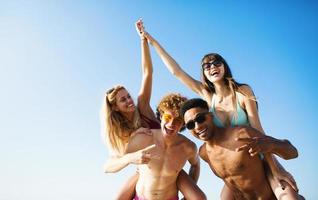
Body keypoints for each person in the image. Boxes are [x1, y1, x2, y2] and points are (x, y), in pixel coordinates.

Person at [141, 21, 300, 199]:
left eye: (216, 63)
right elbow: (176, 71)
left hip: (259, 157)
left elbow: (258, 131)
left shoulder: (242, 92)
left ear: (224, 66)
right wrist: (151, 41)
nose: (212, 67)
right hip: (235, 168)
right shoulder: (209, 97)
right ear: (204, 73)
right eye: (207, 66)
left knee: (288, 196)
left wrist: (276, 168)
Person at [102, 19, 205, 199]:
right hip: (144, 169)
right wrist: (131, 158)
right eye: (123, 100)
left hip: (169, 169)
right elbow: (110, 164)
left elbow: (147, 72)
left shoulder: (143, 111)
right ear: (115, 108)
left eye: (128, 96)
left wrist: (143, 41)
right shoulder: (129, 134)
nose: (129, 101)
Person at [181, 98, 300, 199]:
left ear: (211, 115)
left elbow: (293, 152)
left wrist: (272, 145)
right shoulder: (204, 153)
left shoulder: (241, 134)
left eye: (200, 118)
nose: (197, 126)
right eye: (191, 125)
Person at [126, 93, 206, 200]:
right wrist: (130, 158)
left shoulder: (188, 147)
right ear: (161, 116)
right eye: (168, 117)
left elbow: (195, 165)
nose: (171, 123)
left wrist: (186, 196)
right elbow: (116, 159)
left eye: (177, 120)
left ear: (183, 123)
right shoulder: (145, 137)